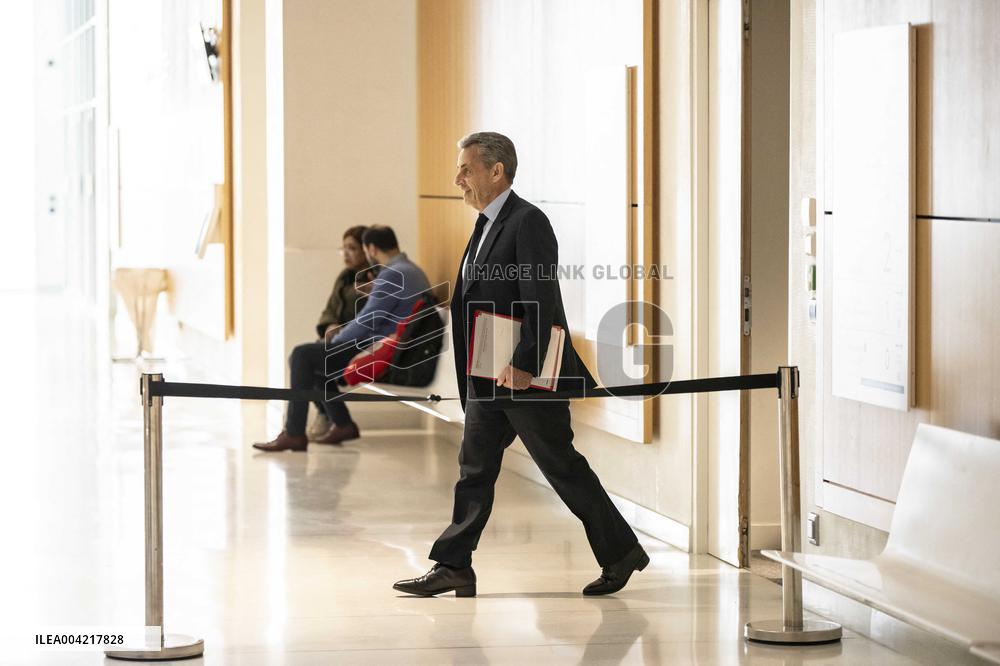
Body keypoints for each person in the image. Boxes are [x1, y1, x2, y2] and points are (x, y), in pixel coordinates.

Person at [393, 132, 647, 598]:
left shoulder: (528, 222)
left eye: (466, 169)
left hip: (522, 376)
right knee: (474, 469)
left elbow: (540, 298)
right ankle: (453, 565)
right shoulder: (485, 224)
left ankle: (622, 552)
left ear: (497, 171)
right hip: (488, 373)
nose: (457, 179)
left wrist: (525, 362)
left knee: (561, 466)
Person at [253, 225, 431, 452]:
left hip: (382, 350)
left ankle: (295, 433)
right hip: (399, 347)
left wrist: (335, 343)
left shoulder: (393, 273)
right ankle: (342, 424)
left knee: (301, 356)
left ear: (371, 249)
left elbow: (366, 321)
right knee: (311, 361)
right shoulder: (411, 271)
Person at [307, 226, 372, 440]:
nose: (346, 254)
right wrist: (328, 326)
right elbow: (330, 308)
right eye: (343, 248)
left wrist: (342, 331)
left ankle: (335, 419)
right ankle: (329, 415)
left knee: (309, 361)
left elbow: (370, 317)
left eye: (352, 248)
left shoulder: (375, 277)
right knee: (305, 359)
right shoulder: (344, 277)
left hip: (362, 342)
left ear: (366, 250)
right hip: (339, 339)